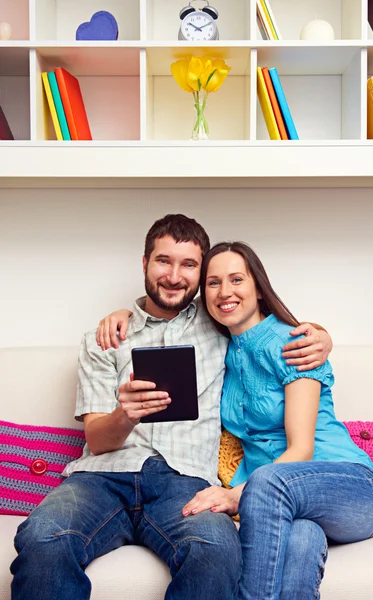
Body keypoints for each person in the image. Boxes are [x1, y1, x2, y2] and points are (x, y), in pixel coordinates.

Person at [10, 215, 332, 600]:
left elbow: (264, 324)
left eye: (189, 265)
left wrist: (322, 336)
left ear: (201, 275)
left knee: (215, 548)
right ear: (145, 264)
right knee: (44, 535)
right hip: (101, 478)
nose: (174, 276)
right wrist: (123, 416)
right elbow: (97, 441)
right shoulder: (106, 338)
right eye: (164, 261)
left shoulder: (219, 324)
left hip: (184, 482)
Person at [179, 241, 373, 600]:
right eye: (213, 283)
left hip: (352, 490)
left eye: (236, 279)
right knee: (302, 541)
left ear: (258, 288)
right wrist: (122, 315)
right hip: (288, 508)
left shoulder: (294, 343)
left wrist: (233, 497)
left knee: (267, 482)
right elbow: (163, 317)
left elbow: (302, 449)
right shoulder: (221, 355)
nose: (224, 292)